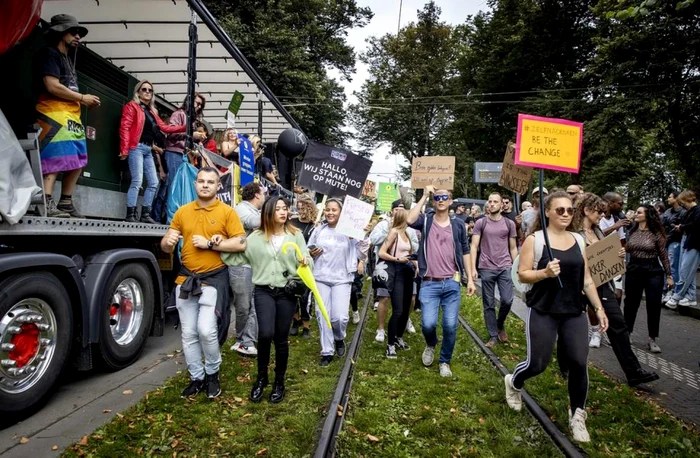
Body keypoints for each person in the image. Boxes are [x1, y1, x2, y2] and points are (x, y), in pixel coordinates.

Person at [506, 191, 609, 443]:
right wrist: (544, 273)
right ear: (548, 212)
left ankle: (577, 414)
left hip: (574, 311)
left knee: (578, 362)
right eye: (560, 210)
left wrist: (598, 308)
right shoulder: (535, 240)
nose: (565, 214)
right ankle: (513, 382)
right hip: (543, 309)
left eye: (569, 210)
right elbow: (522, 275)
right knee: (537, 363)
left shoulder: (578, 239)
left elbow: (586, 279)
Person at [160, 167, 246, 399]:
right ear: (196, 184)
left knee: (206, 331)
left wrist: (211, 244)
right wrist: (167, 243)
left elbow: (240, 243)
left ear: (219, 186)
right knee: (188, 333)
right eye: (201, 181)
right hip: (186, 279)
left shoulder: (227, 212)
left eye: (210, 181)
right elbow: (167, 245)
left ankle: (212, 373)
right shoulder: (183, 212)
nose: (205, 185)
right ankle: (196, 377)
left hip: (213, 279)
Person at [572, 193, 659, 386]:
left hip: (601, 286)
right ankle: (566, 366)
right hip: (578, 287)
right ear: (586, 210)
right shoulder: (573, 232)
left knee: (618, 324)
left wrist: (616, 255)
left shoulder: (599, 232)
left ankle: (633, 371)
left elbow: (603, 256)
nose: (602, 216)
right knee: (570, 326)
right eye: (599, 212)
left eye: (603, 212)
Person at [236, 196, 311, 403]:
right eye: (277, 208)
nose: (282, 212)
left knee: (281, 337)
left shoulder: (295, 235)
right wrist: (216, 244)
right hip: (264, 291)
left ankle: (279, 381)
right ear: (268, 211)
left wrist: (306, 261)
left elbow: (307, 259)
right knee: (265, 333)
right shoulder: (256, 237)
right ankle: (261, 378)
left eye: (285, 208)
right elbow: (238, 255)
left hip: (286, 292)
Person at [34, 14, 101, 218]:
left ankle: (66, 202)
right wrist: (82, 97)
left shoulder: (67, 58)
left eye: (79, 33)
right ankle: (46, 200)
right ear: (61, 32)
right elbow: (52, 86)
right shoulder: (50, 53)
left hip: (71, 115)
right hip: (52, 112)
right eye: (73, 32)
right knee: (56, 156)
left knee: (79, 159)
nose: (78, 36)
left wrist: (84, 101)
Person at [406, 186, 476, 378]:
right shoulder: (426, 220)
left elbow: (465, 251)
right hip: (429, 283)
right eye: (437, 197)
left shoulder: (458, 225)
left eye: (445, 197)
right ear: (433, 201)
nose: (441, 200)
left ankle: (444, 360)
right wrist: (424, 196)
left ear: (450, 201)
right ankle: (431, 343)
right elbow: (410, 219)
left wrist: (469, 278)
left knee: (450, 325)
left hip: (451, 283)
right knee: (428, 324)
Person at [308, 198, 368, 366]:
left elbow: (362, 254)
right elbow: (307, 250)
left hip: (342, 279)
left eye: (334, 210)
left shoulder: (349, 232)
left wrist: (362, 235)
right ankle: (327, 351)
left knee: (340, 317)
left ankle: (339, 337)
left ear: (341, 213)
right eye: (328, 209)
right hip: (321, 278)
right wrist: (312, 253)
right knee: (322, 314)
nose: (330, 213)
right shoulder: (319, 230)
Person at [119, 80, 186, 223]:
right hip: (136, 147)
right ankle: (130, 215)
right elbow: (125, 128)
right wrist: (124, 149)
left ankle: (145, 214)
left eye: (150, 90)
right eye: (144, 89)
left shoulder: (151, 111)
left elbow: (165, 128)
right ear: (138, 92)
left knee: (154, 183)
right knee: (137, 181)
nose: (147, 92)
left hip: (148, 149)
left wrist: (184, 128)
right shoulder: (132, 106)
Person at [470, 193, 518, 348]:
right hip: (486, 266)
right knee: (488, 303)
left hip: (505, 266)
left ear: (501, 205)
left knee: (507, 300)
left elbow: (513, 247)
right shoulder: (481, 222)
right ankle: (493, 336)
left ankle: (499, 324)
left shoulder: (509, 224)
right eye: (489, 201)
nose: (491, 204)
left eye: (495, 201)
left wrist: (517, 268)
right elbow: (474, 246)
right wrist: (472, 269)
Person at [623, 204, 672, 353]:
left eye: (639, 212)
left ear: (647, 215)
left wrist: (669, 275)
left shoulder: (657, 233)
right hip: (634, 269)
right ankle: (627, 333)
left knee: (653, 305)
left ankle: (652, 339)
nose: (636, 214)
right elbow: (627, 249)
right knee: (630, 303)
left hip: (653, 271)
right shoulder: (632, 231)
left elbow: (663, 255)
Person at [224, 182, 265, 357]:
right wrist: (273, 212)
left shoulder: (254, 211)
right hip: (240, 265)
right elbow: (253, 222)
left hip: (252, 264)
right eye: (263, 194)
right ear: (257, 195)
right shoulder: (241, 210)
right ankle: (242, 340)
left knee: (253, 305)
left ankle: (247, 341)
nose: (264, 197)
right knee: (243, 306)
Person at [369, 199, 419, 342]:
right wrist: (391, 232)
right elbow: (373, 240)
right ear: (392, 211)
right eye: (397, 209)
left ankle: (405, 321)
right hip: (386, 268)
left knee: (410, 299)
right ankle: (381, 328)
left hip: (405, 269)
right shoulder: (383, 225)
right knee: (384, 298)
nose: (400, 211)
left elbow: (414, 248)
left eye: (403, 209)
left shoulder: (410, 230)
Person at [378, 208, 417, 358]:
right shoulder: (394, 232)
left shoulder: (407, 233)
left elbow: (410, 253)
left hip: (408, 272)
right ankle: (390, 344)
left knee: (406, 308)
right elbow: (382, 252)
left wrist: (417, 266)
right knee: (398, 310)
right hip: (397, 272)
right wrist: (396, 259)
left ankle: (399, 337)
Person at [162, 93, 206, 204]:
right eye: (197, 103)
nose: (199, 106)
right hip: (174, 151)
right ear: (188, 101)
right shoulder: (178, 114)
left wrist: (197, 142)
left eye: (201, 105)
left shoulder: (192, 120)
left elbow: (187, 138)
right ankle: (167, 217)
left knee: (180, 185)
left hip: (184, 154)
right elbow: (171, 133)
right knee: (174, 184)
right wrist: (191, 135)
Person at [289, 197, 318, 338]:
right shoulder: (292, 222)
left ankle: (306, 325)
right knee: (293, 292)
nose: (300, 211)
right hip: (293, 262)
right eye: (298, 208)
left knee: (306, 296)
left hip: (307, 263)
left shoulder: (314, 226)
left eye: (303, 208)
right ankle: (295, 320)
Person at [667, 190, 700, 308]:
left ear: (688, 199)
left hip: (694, 243)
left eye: (683, 202)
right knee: (686, 270)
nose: (682, 205)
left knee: (685, 270)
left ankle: (677, 296)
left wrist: (682, 227)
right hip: (687, 241)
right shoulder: (689, 211)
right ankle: (690, 296)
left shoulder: (697, 211)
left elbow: (696, 225)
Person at [662, 190, 687, 308]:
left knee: (673, 266)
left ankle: (672, 291)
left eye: (670, 197)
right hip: (666, 241)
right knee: (665, 266)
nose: (668, 199)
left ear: (676, 199)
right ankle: (665, 290)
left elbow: (679, 229)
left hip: (675, 241)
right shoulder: (667, 212)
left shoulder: (682, 212)